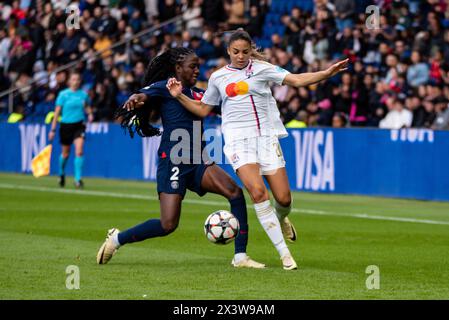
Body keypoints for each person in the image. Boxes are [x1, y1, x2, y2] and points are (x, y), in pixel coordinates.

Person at [166, 30, 348, 270]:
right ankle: (285, 255)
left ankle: (282, 217)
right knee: (259, 193)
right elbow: (202, 110)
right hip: (237, 141)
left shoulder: (263, 69)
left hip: (265, 138)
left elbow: (296, 79)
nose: (240, 56)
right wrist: (179, 97)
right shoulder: (218, 77)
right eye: (235, 52)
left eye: (245, 51)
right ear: (228, 51)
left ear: (251, 50)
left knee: (283, 198)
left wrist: (325, 73)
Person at [96, 47, 265, 269]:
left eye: (198, 66)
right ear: (178, 68)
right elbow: (144, 95)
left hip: (199, 161)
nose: (197, 70)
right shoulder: (165, 88)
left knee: (234, 192)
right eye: (192, 66)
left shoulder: (198, 94)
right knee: (168, 225)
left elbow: (222, 108)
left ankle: (240, 256)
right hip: (173, 161)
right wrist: (136, 98)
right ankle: (117, 239)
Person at [48, 71, 93, 188]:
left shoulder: (83, 95)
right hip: (66, 125)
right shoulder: (63, 94)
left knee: (79, 151)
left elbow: (88, 107)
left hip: (79, 125)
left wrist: (90, 114)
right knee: (65, 153)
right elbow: (57, 113)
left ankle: (78, 179)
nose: (76, 81)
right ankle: (61, 173)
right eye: (73, 79)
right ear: (69, 81)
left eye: (78, 79)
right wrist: (52, 130)